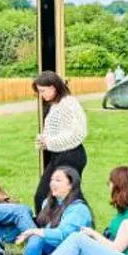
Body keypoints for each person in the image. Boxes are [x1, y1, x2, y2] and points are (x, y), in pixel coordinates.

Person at [13, 166, 93, 255]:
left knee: (37, 237)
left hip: (74, 254)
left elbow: (64, 236)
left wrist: (35, 231)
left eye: (58, 180)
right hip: (55, 248)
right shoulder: (48, 203)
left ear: (71, 185)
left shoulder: (79, 209)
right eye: (52, 180)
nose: (52, 183)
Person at [32, 71, 88, 211]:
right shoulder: (57, 104)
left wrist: (49, 142)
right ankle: (52, 226)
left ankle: (49, 227)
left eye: (43, 91)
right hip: (60, 155)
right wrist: (44, 139)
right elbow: (58, 131)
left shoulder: (68, 104)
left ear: (53, 87)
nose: (41, 95)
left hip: (70, 156)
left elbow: (77, 133)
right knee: (56, 197)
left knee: (57, 196)